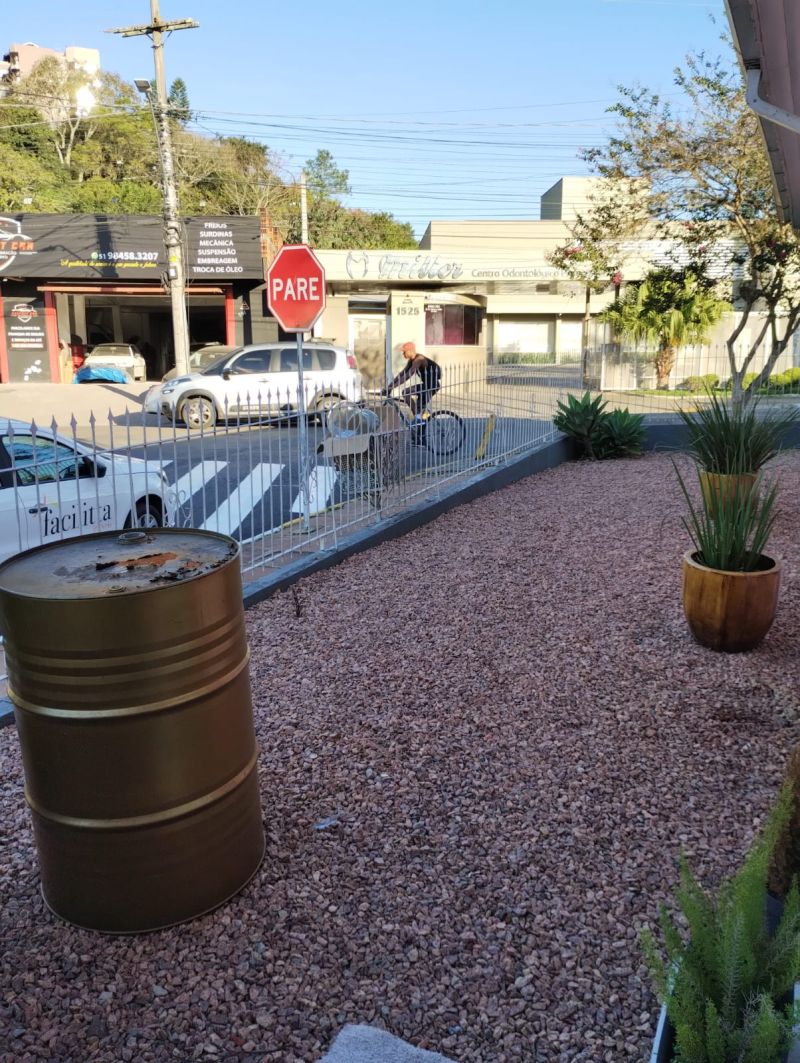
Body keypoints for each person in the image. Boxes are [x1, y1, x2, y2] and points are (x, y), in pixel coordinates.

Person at [387, 341, 441, 419]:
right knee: (419, 408)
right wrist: (389, 386)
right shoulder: (412, 360)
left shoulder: (419, 360)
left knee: (406, 392)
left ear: (410, 351)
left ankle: (417, 418)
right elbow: (402, 374)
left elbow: (408, 375)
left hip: (431, 386)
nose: (403, 354)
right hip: (426, 385)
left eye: (404, 352)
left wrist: (392, 387)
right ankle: (421, 422)